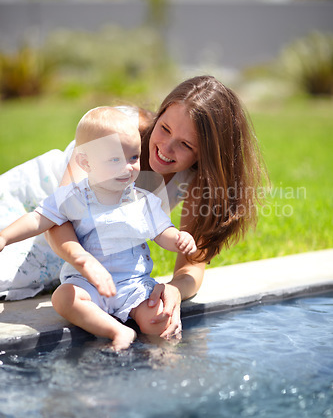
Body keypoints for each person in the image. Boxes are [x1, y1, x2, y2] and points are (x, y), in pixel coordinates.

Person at [0, 75, 266, 339]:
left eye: (185, 145)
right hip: (32, 215)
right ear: (160, 114)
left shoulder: (197, 181)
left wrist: (174, 289)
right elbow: (58, 219)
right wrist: (85, 263)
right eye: (164, 128)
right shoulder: (117, 130)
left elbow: (192, 267)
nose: (166, 148)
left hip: (88, 256)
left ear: (205, 155)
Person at [0, 107, 196, 350]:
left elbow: (162, 232)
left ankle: (163, 353)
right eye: (115, 160)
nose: (128, 167)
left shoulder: (143, 200)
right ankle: (117, 330)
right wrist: (5, 236)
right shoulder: (75, 196)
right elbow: (39, 219)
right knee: (63, 299)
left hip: (133, 284)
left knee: (158, 316)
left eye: (134, 158)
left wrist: (178, 238)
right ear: (86, 162)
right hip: (87, 283)